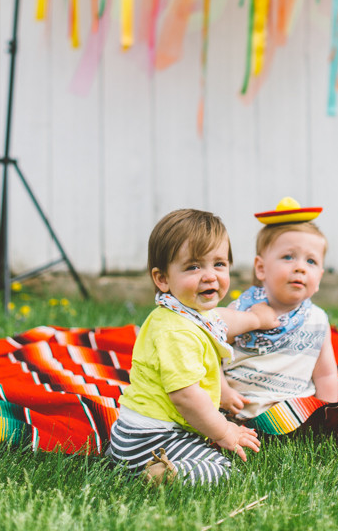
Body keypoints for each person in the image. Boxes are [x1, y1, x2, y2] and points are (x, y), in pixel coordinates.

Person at [109, 208, 279, 486]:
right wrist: (224, 431)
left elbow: (223, 320)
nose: (210, 276)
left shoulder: (188, 311)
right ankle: (160, 473)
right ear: (162, 279)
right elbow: (186, 396)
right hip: (153, 438)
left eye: (219, 264)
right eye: (193, 267)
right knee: (224, 469)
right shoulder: (175, 332)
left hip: (134, 432)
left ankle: (133, 461)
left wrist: (255, 319)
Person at [221, 202, 338, 420]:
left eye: (311, 261)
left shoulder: (317, 320)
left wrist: (328, 414)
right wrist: (222, 392)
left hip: (294, 412)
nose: (300, 267)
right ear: (261, 268)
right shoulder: (239, 311)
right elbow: (209, 355)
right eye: (288, 257)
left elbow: (326, 375)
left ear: (319, 278)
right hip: (238, 407)